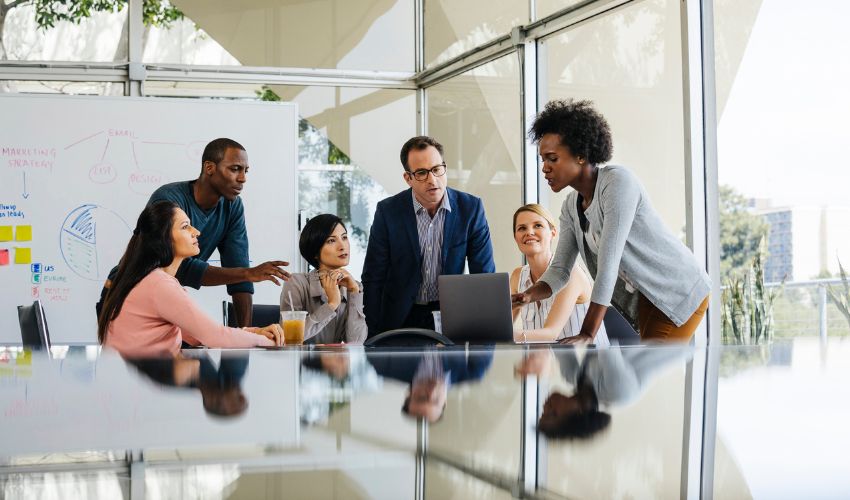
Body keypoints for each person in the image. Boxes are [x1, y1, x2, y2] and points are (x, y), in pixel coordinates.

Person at [512, 100, 710, 343]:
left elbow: (609, 265)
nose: (545, 168)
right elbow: (560, 270)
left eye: (552, 158)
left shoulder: (618, 184)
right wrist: (530, 295)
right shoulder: (570, 207)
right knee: (643, 372)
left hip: (679, 288)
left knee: (648, 367)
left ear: (581, 155)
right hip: (648, 295)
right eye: (542, 160)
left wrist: (587, 333)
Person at [97, 138, 290, 327]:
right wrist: (247, 273)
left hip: (165, 297)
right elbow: (175, 265)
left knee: (190, 353)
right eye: (235, 169)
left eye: (245, 171)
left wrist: (247, 333)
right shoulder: (168, 199)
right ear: (209, 168)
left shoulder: (233, 206)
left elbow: (238, 270)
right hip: (127, 294)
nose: (243, 178)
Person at [99, 201, 283, 357]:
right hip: (142, 392)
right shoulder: (159, 285)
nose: (196, 232)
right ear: (165, 238)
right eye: (185, 226)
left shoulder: (148, 280)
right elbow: (215, 337)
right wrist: (268, 341)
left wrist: (253, 332)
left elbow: (199, 336)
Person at [362, 136, 496, 335]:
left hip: (451, 315)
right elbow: (374, 277)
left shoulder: (470, 209)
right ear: (408, 178)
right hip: (399, 318)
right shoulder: (388, 212)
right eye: (422, 173)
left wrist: (484, 330)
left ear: (444, 167)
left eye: (436, 169)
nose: (432, 180)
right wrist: (374, 332)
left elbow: (484, 276)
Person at [510, 204, 608, 345]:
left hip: (590, 363)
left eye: (538, 225)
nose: (529, 232)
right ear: (516, 237)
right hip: (546, 363)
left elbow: (551, 334)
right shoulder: (517, 276)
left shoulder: (571, 273)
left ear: (553, 233)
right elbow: (501, 325)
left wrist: (507, 336)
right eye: (522, 228)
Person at [280, 214, 367, 345]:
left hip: (335, 364)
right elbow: (288, 338)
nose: (342, 246)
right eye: (331, 241)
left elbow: (356, 342)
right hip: (300, 363)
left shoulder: (353, 286)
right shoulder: (296, 283)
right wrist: (331, 305)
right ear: (315, 252)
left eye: (344, 237)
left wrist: (354, 292)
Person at [367, 347, 494, 423]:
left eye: (422, 398)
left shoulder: (384, 366)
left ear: (409, 394)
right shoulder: (472, 372)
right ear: (445, 402)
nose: (432, 392)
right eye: (436, 400)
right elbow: (485, 329)